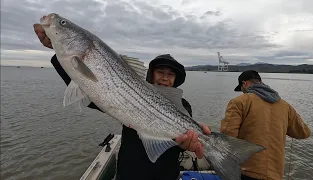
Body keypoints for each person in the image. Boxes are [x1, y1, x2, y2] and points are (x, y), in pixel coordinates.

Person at [33, 24, 211, 180]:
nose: (165, 78)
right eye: (160, 72)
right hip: (130, 174)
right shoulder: (130, 91)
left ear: (176, 79)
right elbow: (93, 96)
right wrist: (58, 49)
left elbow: (182, 141)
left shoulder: (182, 104)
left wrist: (184, 145)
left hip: (165, 175)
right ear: (151, 74)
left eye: (170, 74)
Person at [220, 70, 311, 180]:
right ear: (260, 81)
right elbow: (304, 133)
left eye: (242, 89)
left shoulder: (239, 102)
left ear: (245, 84)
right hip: (275, 174)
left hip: (246, 171)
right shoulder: (285, 106)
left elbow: (227, 135)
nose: (243, 92)